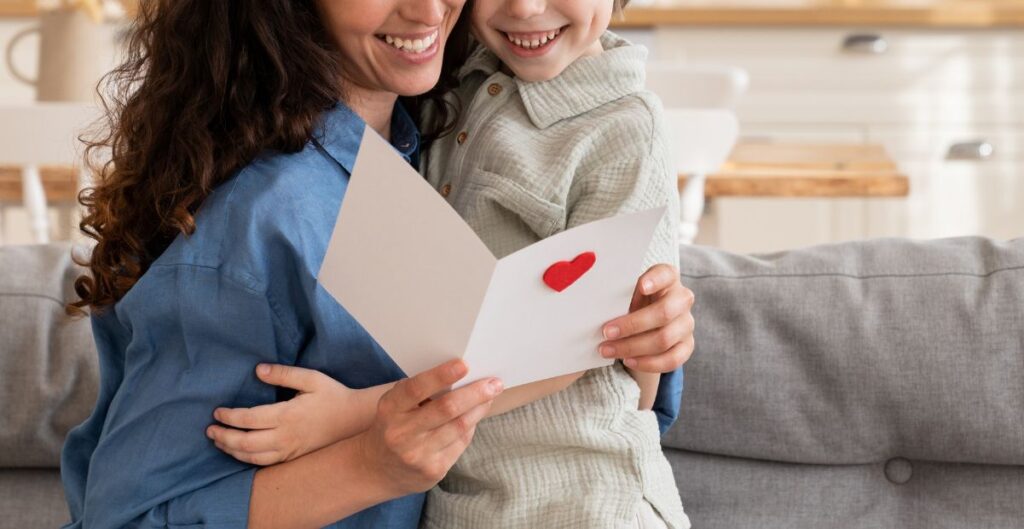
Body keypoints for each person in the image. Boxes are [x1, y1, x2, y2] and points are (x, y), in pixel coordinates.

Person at [62, 1, 695, 528]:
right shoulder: (263, 221)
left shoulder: (430, 131)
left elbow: (603, 391)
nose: (426, 10)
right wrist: (371, 463)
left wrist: (646, 336)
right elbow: (132, 517)